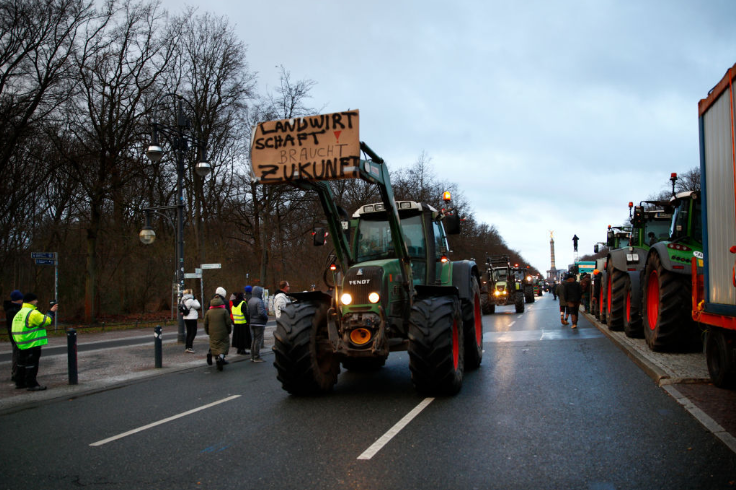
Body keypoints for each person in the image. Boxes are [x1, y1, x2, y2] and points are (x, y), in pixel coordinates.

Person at [11, 292, 57, 391]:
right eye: (36, 300)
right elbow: (46, 321)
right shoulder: (32, 313)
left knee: (21, 363)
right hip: (32, 343)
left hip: (21, 343)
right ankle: (32, 384)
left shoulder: (20, 313)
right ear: (32, 301)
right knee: (32, 364)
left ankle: (20, 382)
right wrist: (51, 311)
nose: (37, 301)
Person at [204, 288, 232, 371]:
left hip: (212, 329)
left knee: (214, 343)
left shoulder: (210, 304)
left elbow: (206, 322)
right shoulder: (224, 306)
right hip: (223, 329)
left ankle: (211, 353)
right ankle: (221, 358)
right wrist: (229, 330)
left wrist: (207, 330)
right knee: (223, 344)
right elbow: (228, 321)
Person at [3, 290, 24, 384]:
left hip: (16, 334)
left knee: (18, 353)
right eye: (20, 299)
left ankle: (18, 373)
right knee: (16, 354)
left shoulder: (13, 309)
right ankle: (16, 374)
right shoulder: (12, 310)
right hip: (16, 335)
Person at [247, 286, 268, 363]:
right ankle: (257, 357)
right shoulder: (259, 301)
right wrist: (266, 318)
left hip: (252, 322)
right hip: (259, 323)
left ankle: (252, 356)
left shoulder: (250, 301)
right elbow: (261, 312)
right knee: (258, 340)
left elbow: (248, 312)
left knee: (254, 340)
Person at [181, 289, 201, 353]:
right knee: (193, 332)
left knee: (189, 332)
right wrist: (195, 299)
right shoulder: (191, 300)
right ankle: (189, 347)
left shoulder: (182, 300)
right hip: (192, 318)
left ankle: (187, 346)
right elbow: (198, 306)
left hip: (186, 318)